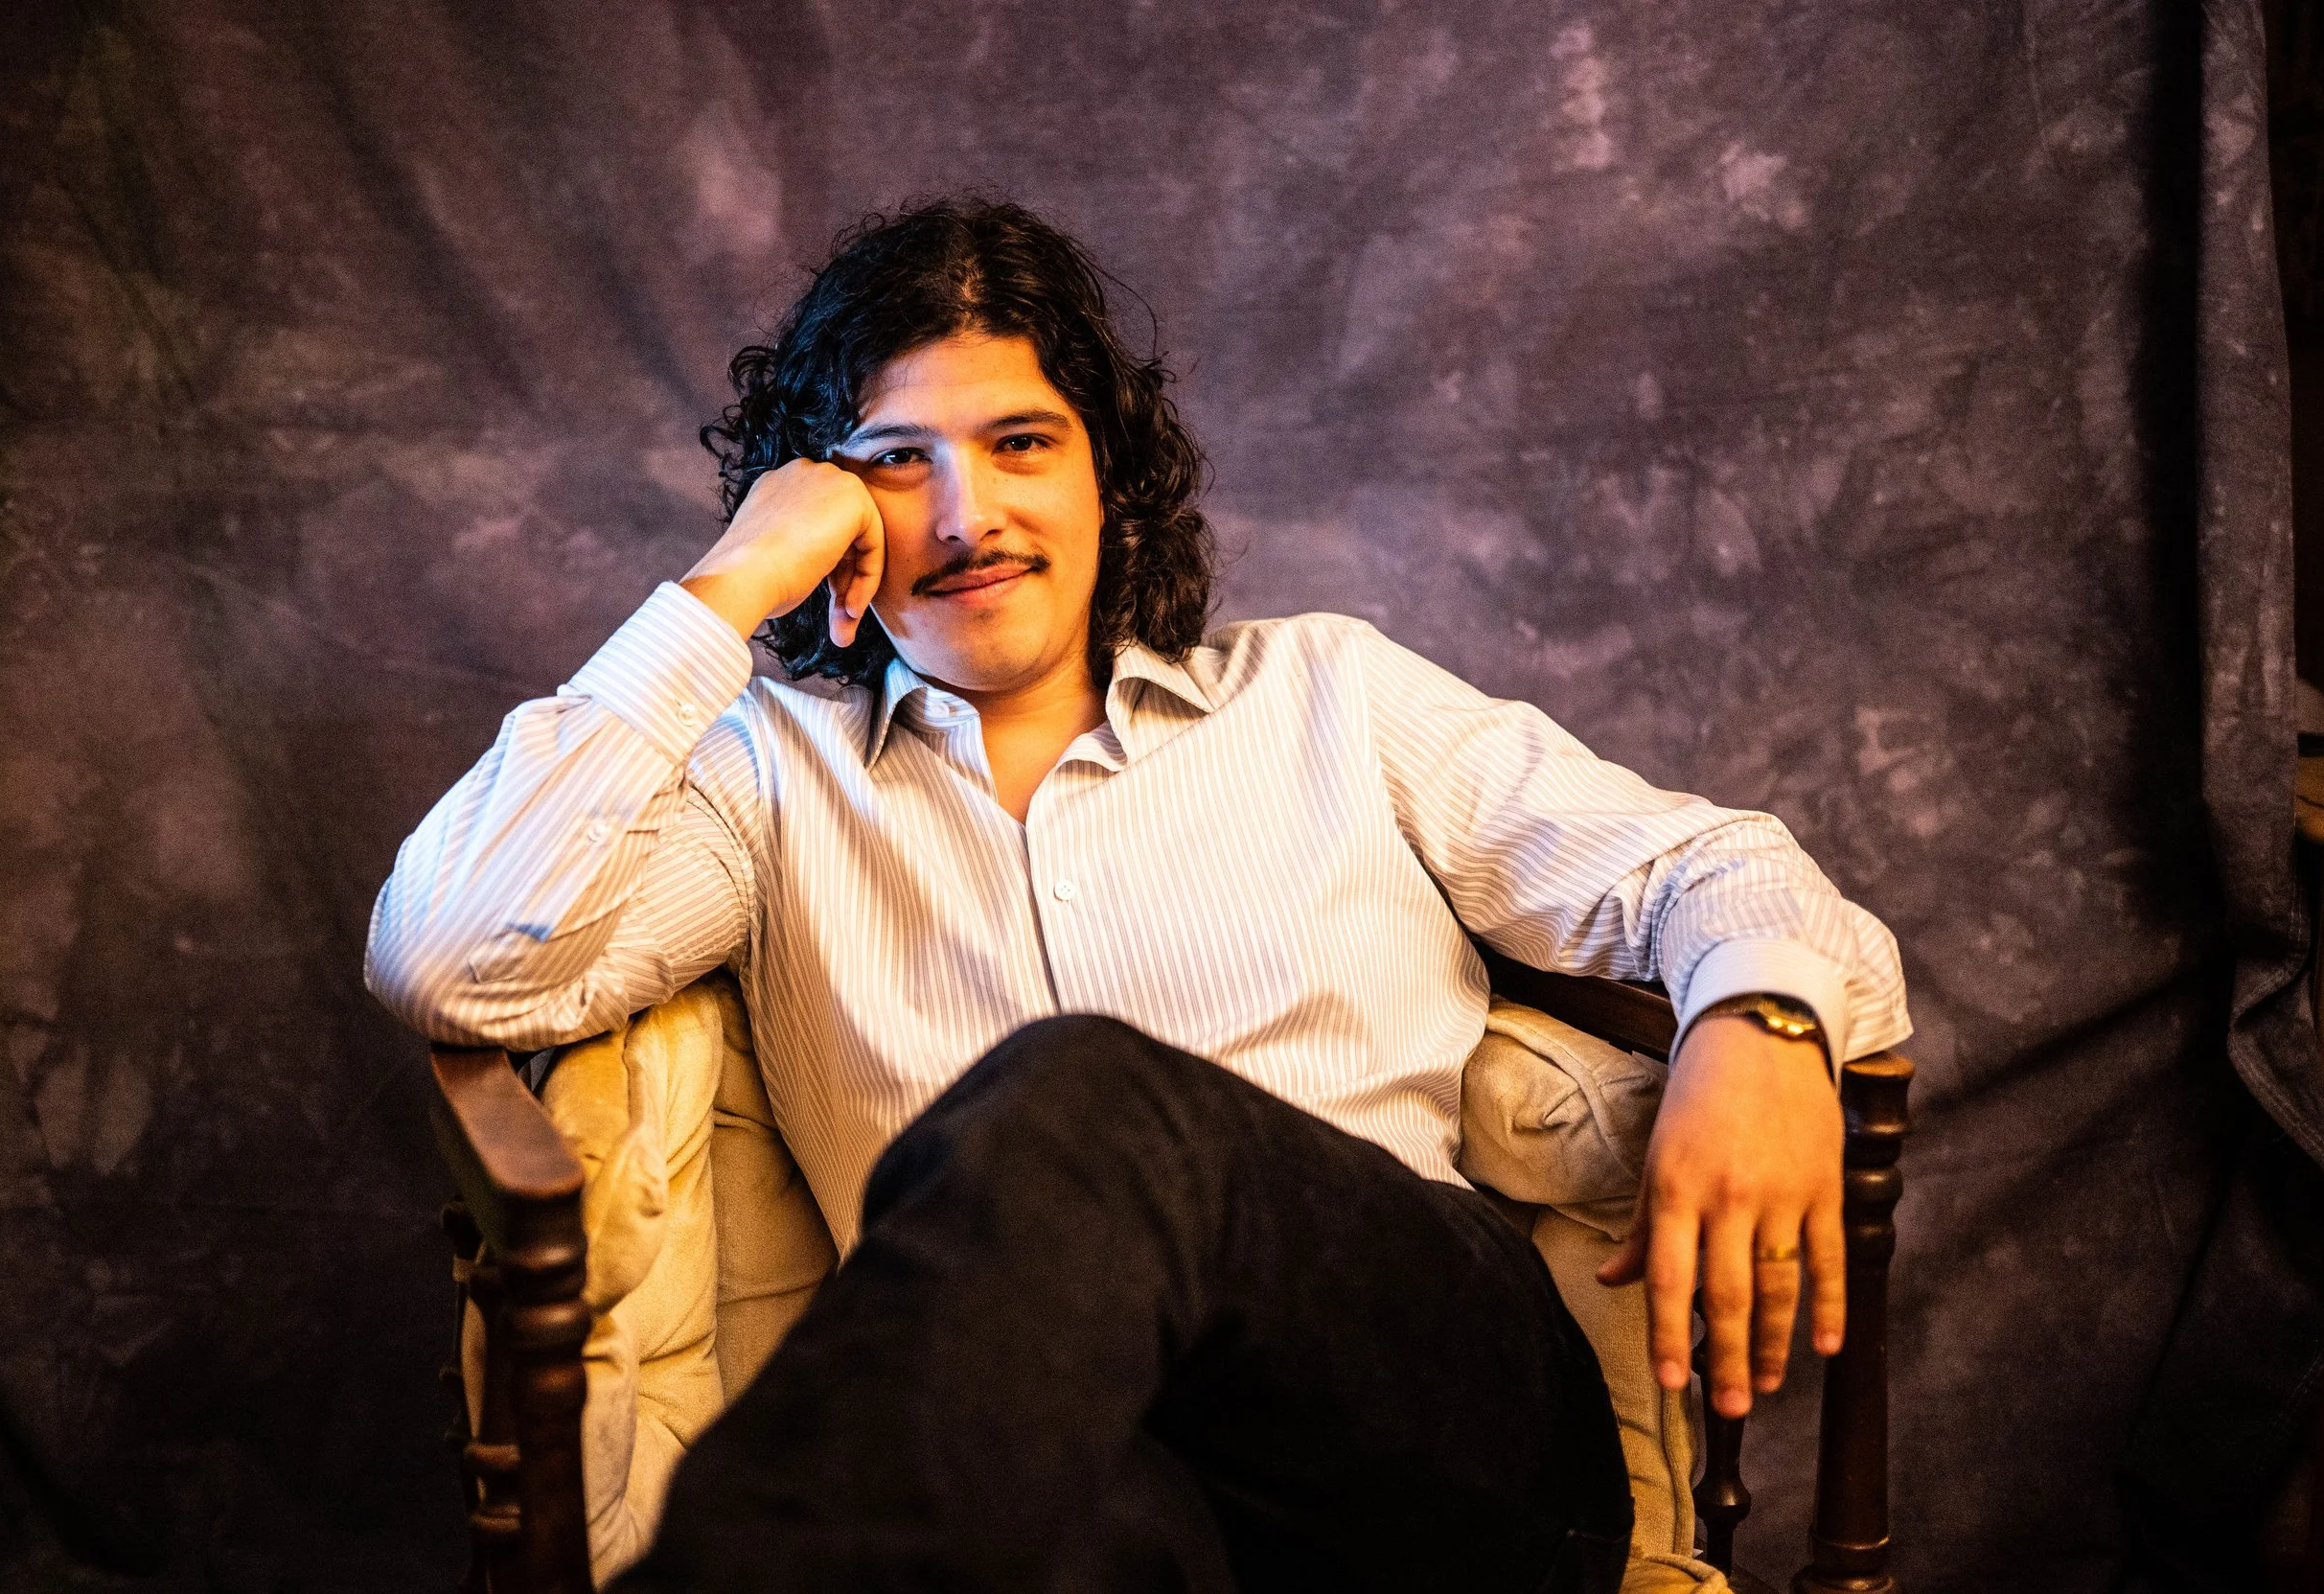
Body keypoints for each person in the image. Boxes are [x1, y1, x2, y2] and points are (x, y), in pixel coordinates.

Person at [365, 198, 1908, 1593]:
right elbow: (449, 954)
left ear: (1109, 473)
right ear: (818, 508)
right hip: (1080, 1477)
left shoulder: (1329, 694)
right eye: (896, 462)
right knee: (1066, 1531)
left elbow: (1708, 867)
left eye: (1021, 443)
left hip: (1442, 1446)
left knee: (1082, 1096)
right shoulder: (771, 781)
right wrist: (726, 588)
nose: (967, 517)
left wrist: (1762, 1018)